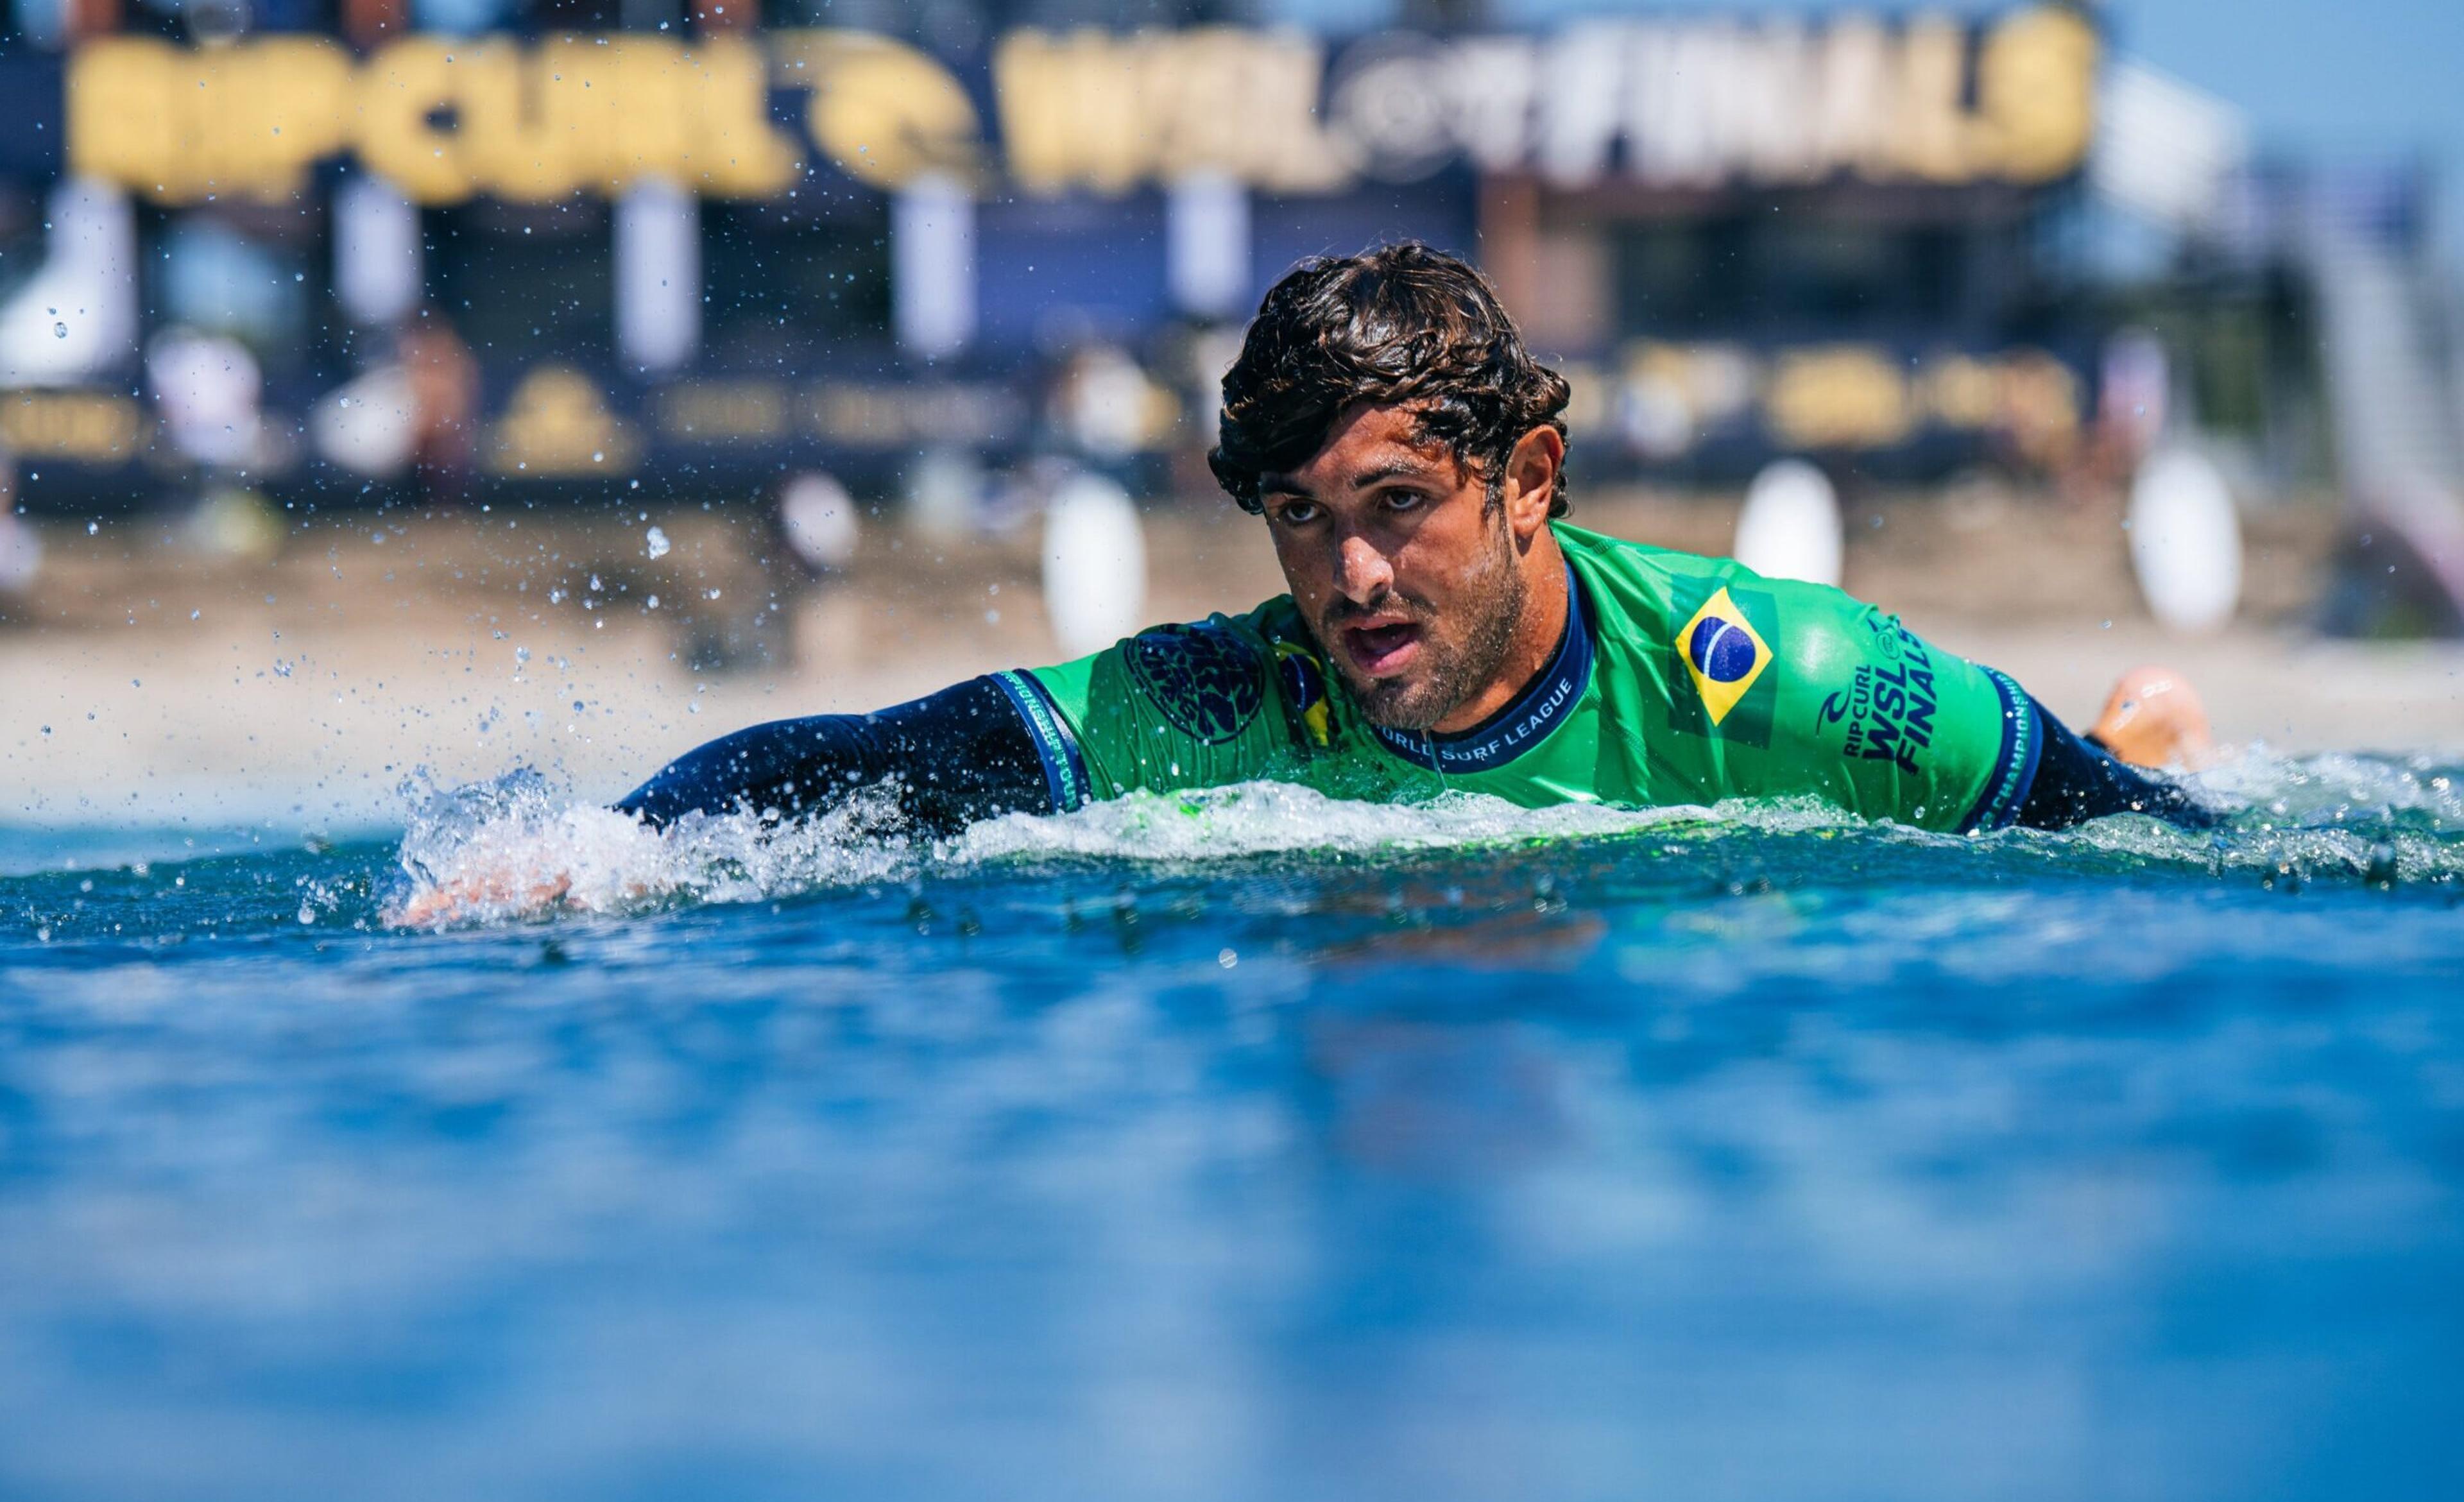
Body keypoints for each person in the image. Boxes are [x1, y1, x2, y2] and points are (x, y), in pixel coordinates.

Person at [407, 244, 2214, 921]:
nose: (1347, 575)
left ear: (1532, 482)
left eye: (1400, 505)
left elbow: (2131, 851)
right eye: (1297, 514)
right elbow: (896, 755)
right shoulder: (1224, 700)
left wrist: (2140, 784)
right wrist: (616, 844)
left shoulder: (1790, 675)